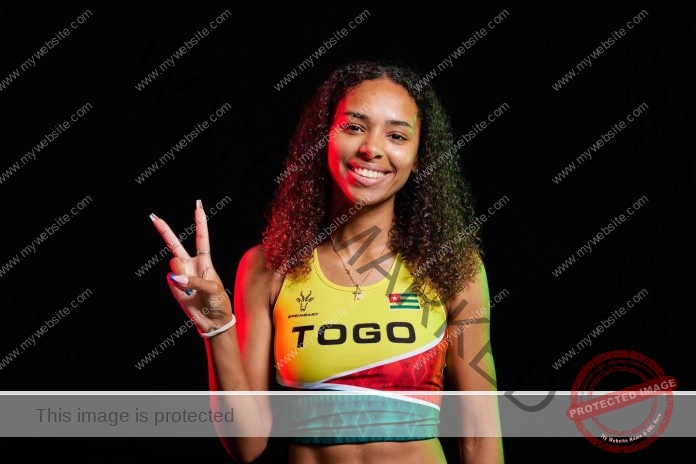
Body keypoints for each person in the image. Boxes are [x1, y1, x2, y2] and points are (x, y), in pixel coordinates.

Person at [151, 59, 504, 463]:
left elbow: (479, 434)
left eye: (396, 135)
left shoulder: (452, 265)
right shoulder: (269, 266)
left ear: (419, 154)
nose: (372, 148)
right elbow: (247, 444)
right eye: (354, 127)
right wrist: (216, 326)